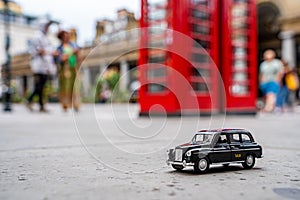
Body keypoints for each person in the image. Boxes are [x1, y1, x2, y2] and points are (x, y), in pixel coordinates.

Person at [26, 19, 57, 112]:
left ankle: (40, 105)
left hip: (44, 65)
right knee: (39, 86)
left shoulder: (44, 36)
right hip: (39, 65)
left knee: (41, 86)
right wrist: (51, 53)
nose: (48, 28)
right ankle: (31, 101)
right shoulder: (38, 36)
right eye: (47, 26)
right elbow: (39, 51)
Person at [55, 30, 81, 112]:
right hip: (65, 69)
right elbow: (60, 59)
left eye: (68, 35)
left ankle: (76, 104)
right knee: (66, 87)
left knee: (75, 86)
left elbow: (78, 54)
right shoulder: (59, 48)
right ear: (61, 38)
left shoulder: (73, 45)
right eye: (65, 36)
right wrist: (69, 54)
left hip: (73, 67)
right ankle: (65, 104)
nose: (67, 37)